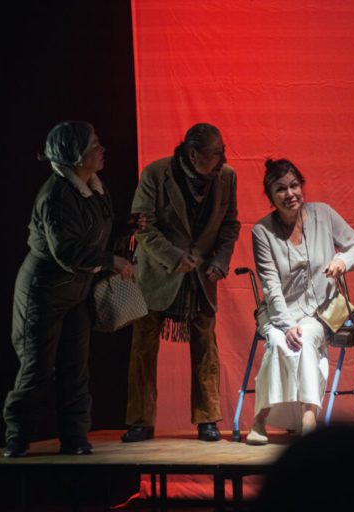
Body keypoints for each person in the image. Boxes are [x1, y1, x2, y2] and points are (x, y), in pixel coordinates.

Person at [3, 121, 140, 457]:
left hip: (77, 293)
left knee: (75, 368)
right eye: (94, 145)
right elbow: (68, 251)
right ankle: (17, 437)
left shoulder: (94, 188)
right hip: (45, 292)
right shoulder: (56, 195)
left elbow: (93, 233)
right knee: (37, 369)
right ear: (75, 155)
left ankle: (75, 437)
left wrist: (124, 226)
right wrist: (112, 261)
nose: (102, 149)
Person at [122, 123, 240, 443]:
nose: (222, 158)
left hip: (202, 273)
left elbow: (230, 224)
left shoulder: (227, 177)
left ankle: (207, 418)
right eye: (215, 153)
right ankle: (140, 420)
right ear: (193, 155)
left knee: (205, 344)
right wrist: (173, 257)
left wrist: (220, 261)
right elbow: (142, 226)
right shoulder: (156, 174)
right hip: (158, 273)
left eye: (222, 150)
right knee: (143, 347)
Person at [246, 159, 354, 445]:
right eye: (281, 189)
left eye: (294, 186)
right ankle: (260, 418)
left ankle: (308, 419)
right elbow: (271, 286)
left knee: (307, 336)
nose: (290, 194)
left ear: (302, 186)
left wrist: (342, 261)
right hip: (279, 311)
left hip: (322, 311)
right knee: (279, 342)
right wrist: (286, 324)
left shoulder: (323, 214)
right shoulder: (262, 232)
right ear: (271, 196)